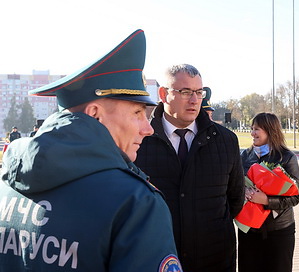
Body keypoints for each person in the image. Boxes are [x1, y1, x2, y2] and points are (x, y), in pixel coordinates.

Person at [0, 29, 182, 272]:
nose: (148, 129)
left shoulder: (7, 184)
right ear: (95, 114)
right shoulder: (135, 203)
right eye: (138, 113)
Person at [135, 64, 245, 272]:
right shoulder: (139, 141)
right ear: (162, 94)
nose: (194, 100)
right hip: (158, 259)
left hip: (214, 259)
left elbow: (235, 200)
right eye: (185, 92)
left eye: (199, 92)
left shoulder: (226, 141)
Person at [239, 112, 299, 272]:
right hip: (249, 231)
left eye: (257, 129)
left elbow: (295, 197)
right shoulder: (244, 156)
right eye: (252, 128)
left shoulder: (287, 158)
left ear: (270, 130)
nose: (252, 133)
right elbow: (233, 187)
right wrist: (243, 192)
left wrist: (266, 200)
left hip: (279, 230)